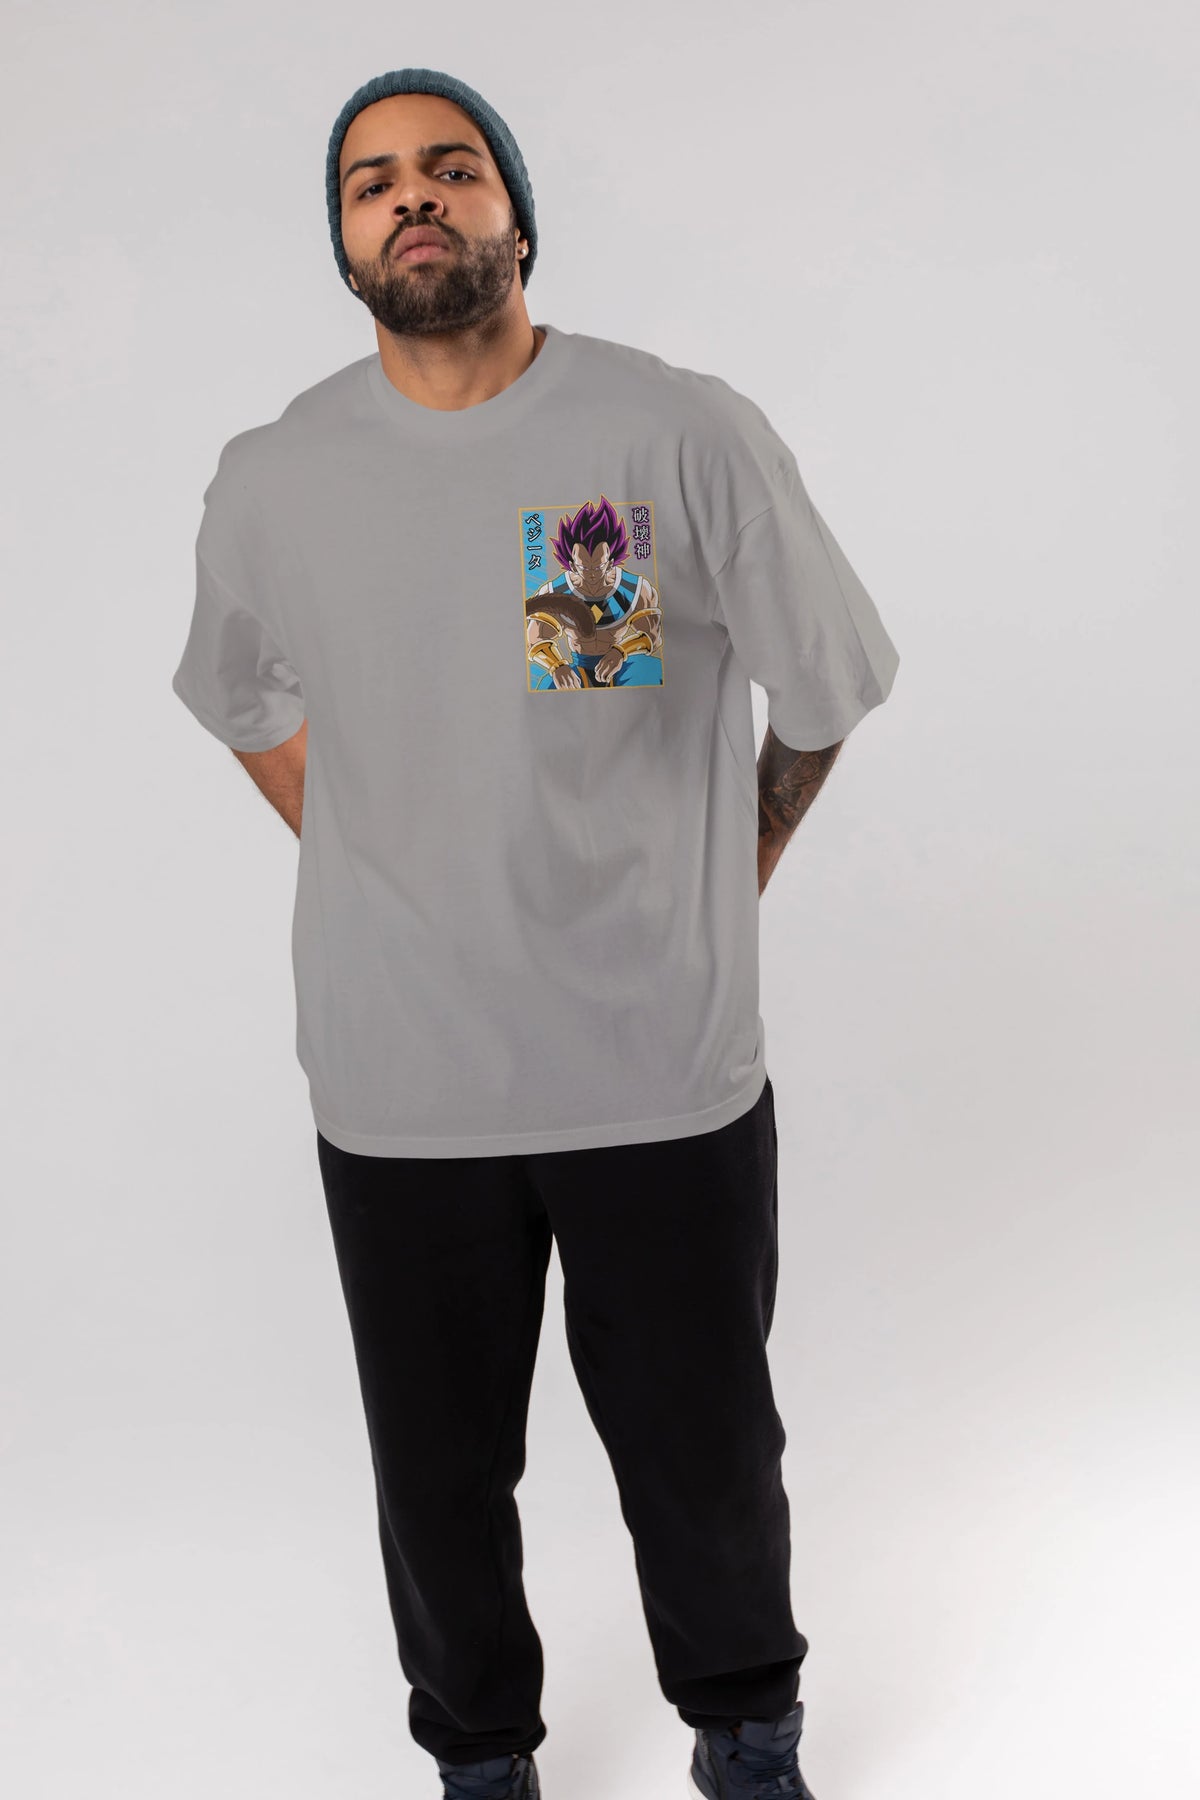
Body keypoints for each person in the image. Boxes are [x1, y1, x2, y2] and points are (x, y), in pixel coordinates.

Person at [170, 65, 900, 1800]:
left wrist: (735, 865)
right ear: (344, 242)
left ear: (516, 213)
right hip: (401, 1085)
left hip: (657, 1067)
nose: (413, 197)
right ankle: (481, 1759)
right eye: (371, 183)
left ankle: (747, 1732)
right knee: (436, 1476)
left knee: (704, 1451)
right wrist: (379, 855)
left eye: (452, 167)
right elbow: (240, 697)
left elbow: (826, 685)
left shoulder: (670, 435)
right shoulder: (275, 477)